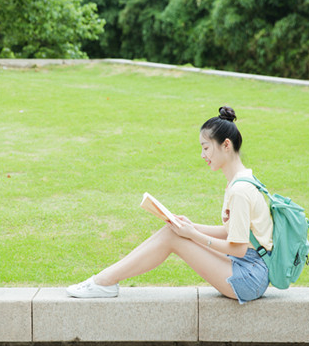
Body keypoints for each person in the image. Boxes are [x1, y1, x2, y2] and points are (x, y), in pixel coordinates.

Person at [66, 106, 274, 304]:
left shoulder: (239, 190)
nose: (203, 155)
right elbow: (235, 232)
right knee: (172, 230)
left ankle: (103, 282)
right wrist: (192, 227)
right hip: (248, 267)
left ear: (226, 145)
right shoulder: (239, 182)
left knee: (174, 237)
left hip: (249, 276)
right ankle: (103, 280)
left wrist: (193, 235)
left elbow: (237, 248)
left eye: (206, 147)